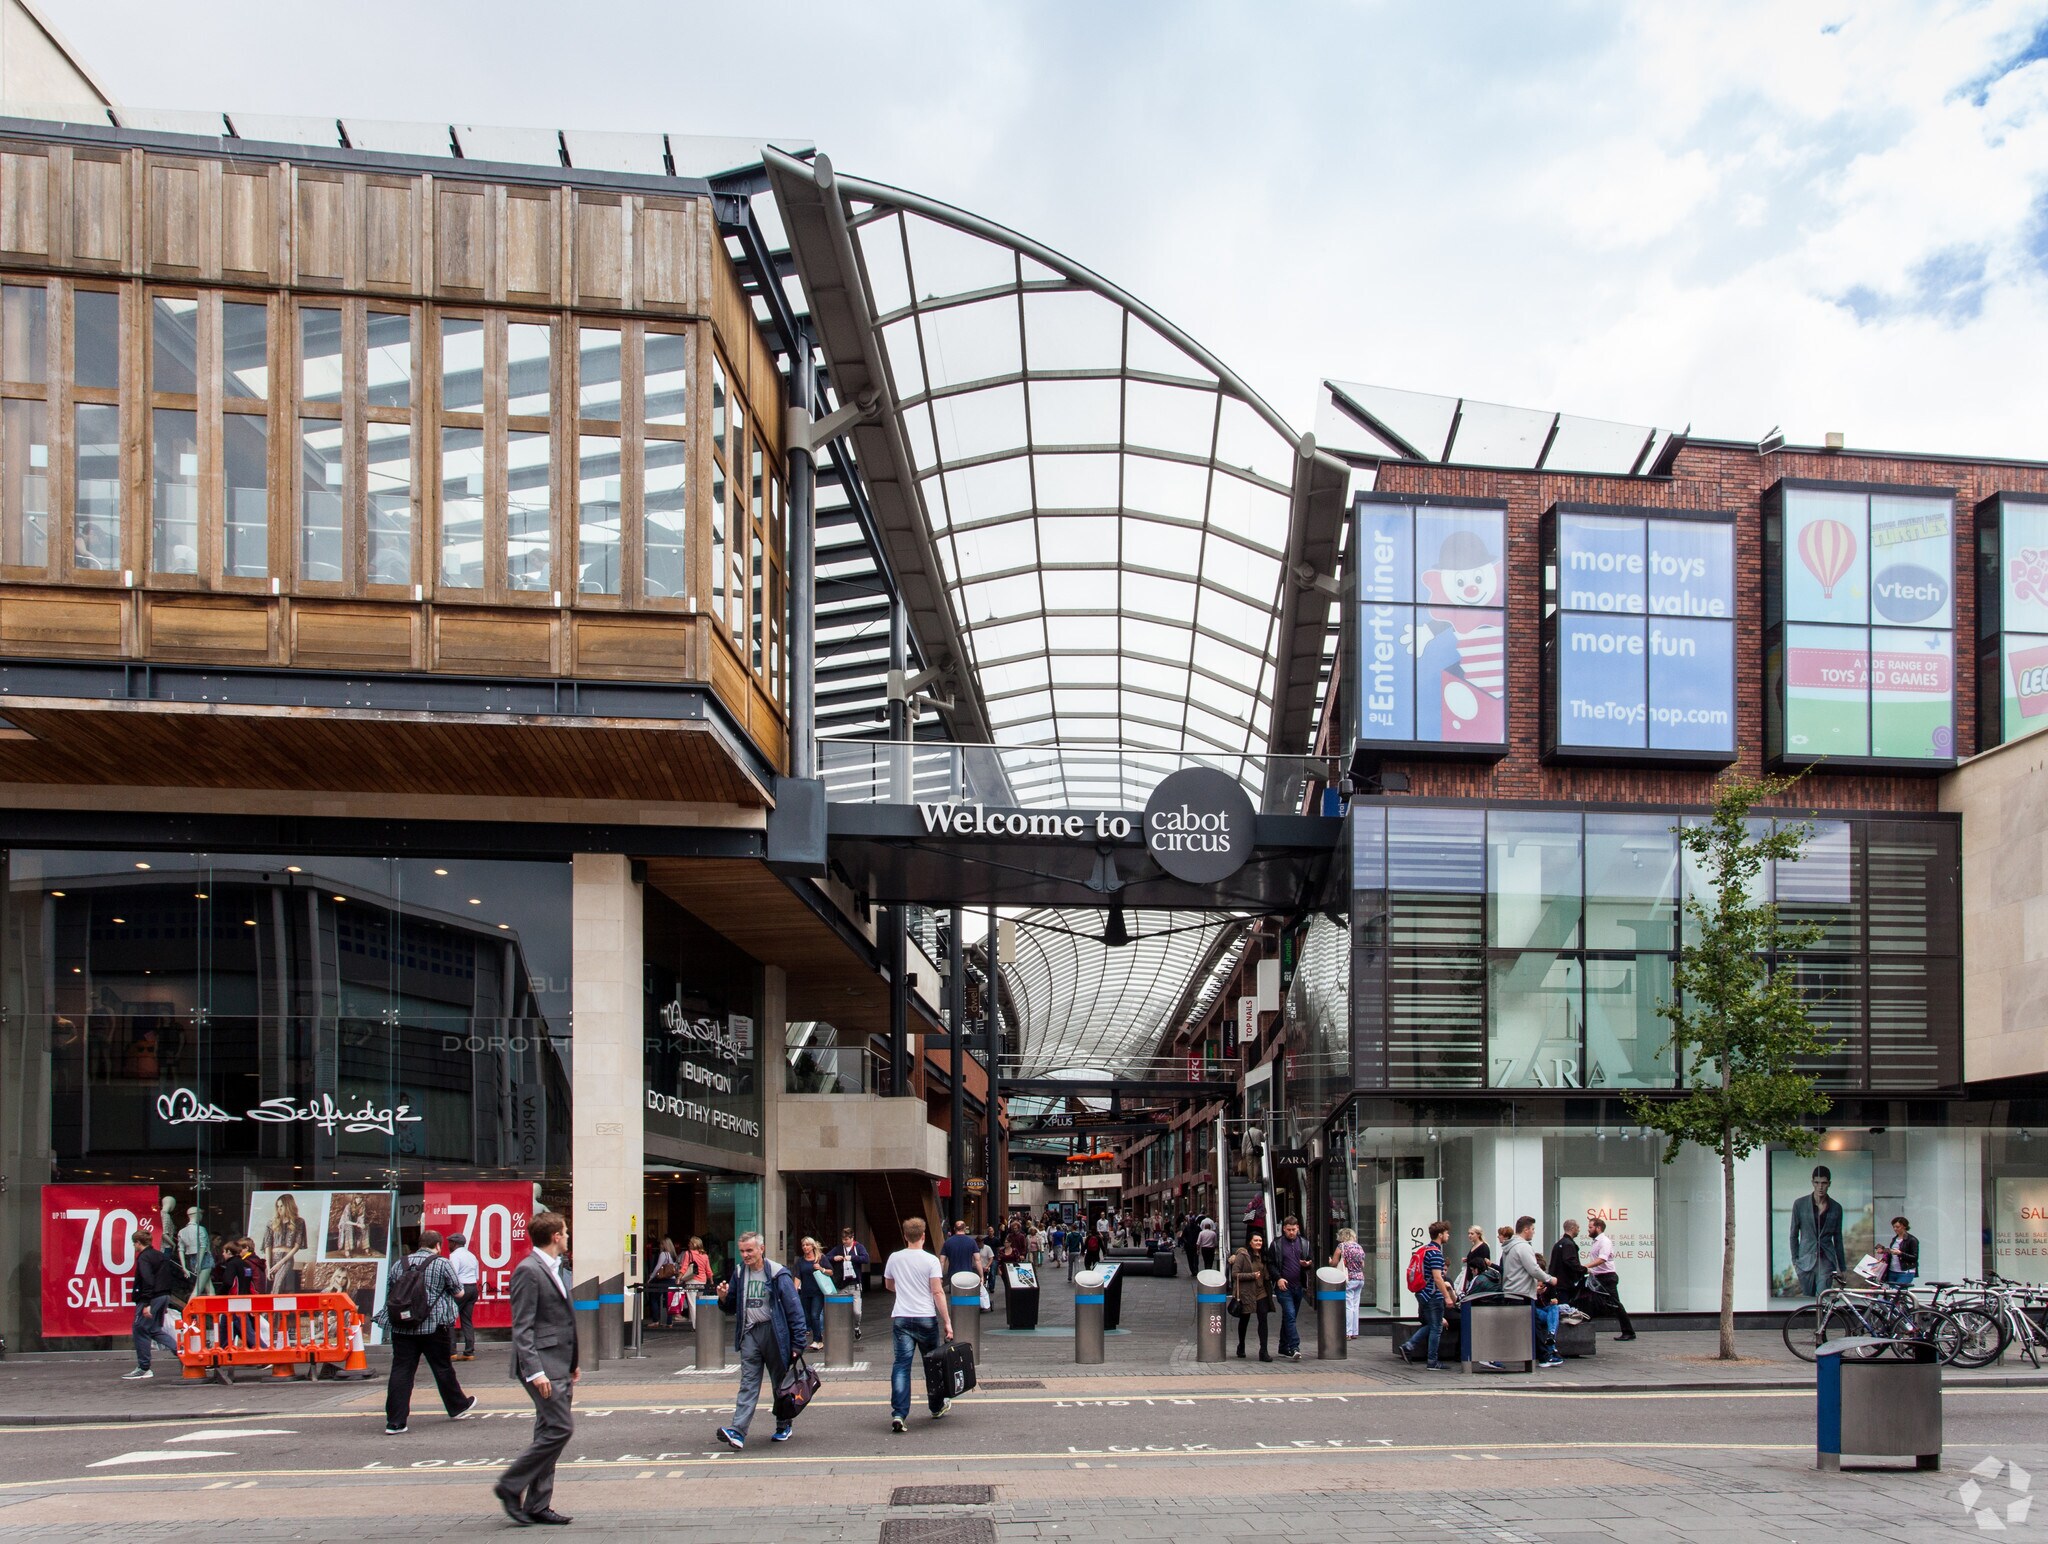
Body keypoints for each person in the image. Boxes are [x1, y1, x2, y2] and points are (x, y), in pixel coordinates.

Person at [496, 1211, 577, 1527]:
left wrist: (573, 1363)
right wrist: (536, 1372)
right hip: (541, 1365)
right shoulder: (528, 1271)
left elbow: (561, 1319)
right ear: (556, 1235)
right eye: (566, 1231)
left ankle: (538, 1504)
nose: (568, 1236)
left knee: (548, 1431)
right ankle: (510, 1485)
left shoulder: (554, 1267)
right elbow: (523, 1326)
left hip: (559, 1362)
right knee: (560, 1428)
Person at [713, 1231, 810, 1450]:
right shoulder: (739, 1273)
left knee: (780, 1384)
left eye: (749, 1250)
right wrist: (723, 1297)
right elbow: (730, 1307)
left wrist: (797, 1344)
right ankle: (737, 1431)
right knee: (748, 1383)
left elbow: (794, 1310)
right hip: (750, 1333)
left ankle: (783, 1425)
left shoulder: (777, 1273)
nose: (745, 1255)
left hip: (775, 1333)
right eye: (742, 1251)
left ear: (761, 1249)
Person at [381, 1228, 477, 1434]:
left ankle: (395, 1422)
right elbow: (459, 1292)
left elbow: (391, 1291)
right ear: (438, 1246)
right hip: (434, 1325)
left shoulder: (400, 1263)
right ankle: (457, 1406)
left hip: (403, 1327)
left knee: (401, 1370)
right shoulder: (441, 1263)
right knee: (442, 1368)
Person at [882, 1217, 954, 1433]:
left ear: (905, 1236)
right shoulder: (931, 1260)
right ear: (923, 1236)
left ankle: (899, 1413)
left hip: (902, 1317)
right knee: (932, 1364)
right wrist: (947, 1322)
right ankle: (936, 1406)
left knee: (902, 1365)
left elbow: (888, 1285)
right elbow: (937, 1292)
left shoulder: (895, 1258)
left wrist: (905, 1290)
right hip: (925, 1318)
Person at [122, 1227, 184, 1379]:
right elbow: (168, 1277)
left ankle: (144, 1367)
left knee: (140, 1329)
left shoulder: (144, 1257)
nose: (134, 1247)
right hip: (163, 1296)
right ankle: (184, 1354)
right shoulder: (160, 1256)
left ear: (138, 1243)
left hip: (151, 1298)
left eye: (134, 1244)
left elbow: (147, 1279)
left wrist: (146, 1302)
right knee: (155, 1330)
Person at [1500, 1216, 1561, 1368]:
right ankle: (1544, 1357)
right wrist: (1549, 1279)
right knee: (1534, 1327)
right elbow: (1533, 1269)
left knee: (1526, 1326)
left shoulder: (1509, 1247)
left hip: (1512, 1291)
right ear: (1526, 1229)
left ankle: (1541, 1356)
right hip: (1522, 1293)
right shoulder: (1523, 1247)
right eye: (1532, 1229)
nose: (1533, 1232)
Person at [1398, 1220, 1457, 1369]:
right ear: (1440, 1235)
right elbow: (1438, 1277)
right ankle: (1432, 1361)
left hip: (1422, 1293)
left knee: (1432, 1324)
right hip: (1433, 1295)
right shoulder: (1436, 1253)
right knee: (1437, 1328)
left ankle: (1409, 1345)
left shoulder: (1424, 1250)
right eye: (1446, 1233)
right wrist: (1447, 1296)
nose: (1448, 1235)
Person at [1790, 1164, 1847, 1295]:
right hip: (1805, 1261)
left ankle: (1821, 1316)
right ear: (1812, 1182)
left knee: (1823, 1298)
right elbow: (1793, 1235)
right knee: (1807, 1299)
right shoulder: (1799, 1204)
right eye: (1817, 1182)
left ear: (1829, 1184)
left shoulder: (1836, 1207)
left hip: (1827, 1260)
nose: (1820, 1187)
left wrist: (1842, 1267)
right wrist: (1795, 1261)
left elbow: (1838, 1239)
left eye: (1824, 1183)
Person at [1582, 1217, 1636, 1340]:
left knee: (1615, 1304)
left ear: (1598, 1228)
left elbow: (1602, 1259)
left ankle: (1629, 1332)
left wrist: (1585, 1267)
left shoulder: (1604, 1241)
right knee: (1592, 1301)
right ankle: (1582, 1327)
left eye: (1590, 1227)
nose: (1588, 1230)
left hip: (1607, 1278)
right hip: (1599, 1277)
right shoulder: (1596, 1241)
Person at [1226, 1229, 1275, 1361]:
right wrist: (1251, 1276)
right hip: (1247, 1293)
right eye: (1256, 1240)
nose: (1258, 1243)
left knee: (1263, 1320)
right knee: (1244, 1320)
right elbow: (1235, 1274)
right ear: (1250, 1242)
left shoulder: (1264, 1255)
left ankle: (1263, 1351)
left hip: (1261, 1292)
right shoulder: (1243, 1255)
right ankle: (1241, 1345)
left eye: (1260, 1240)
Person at [1271, 1216, 1313, 1361]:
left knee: (1290, 1317)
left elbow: (1311, 1260)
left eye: (1293, 1230)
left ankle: (1283, 1346)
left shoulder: (1304, 1243)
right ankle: (1294, 1347)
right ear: (1284, 1229)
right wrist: (1278, 1278)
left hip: (1298, 1286)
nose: (1291, 1232)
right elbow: (1270, 1264)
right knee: (1289, 1314)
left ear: (1298, 1229)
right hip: (1283, 1286)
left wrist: (1307, 1264)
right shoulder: (1277, 1244)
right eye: (1288, 1230)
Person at [824, 1228, 869, 1341]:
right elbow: (826, 1257)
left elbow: (866, 1258)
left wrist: (852, 1257)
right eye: (843, 1239)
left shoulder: (858, 1247)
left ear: (852, 1238)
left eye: (846, 1239)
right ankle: (844, 1331)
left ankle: (856, 1327)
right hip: (842, 1285)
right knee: (841, 1311)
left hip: (855, 1285)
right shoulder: (839, 1249)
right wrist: (834, 1258)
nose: (844, 1242)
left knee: (856, 1311)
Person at [447, 1231, 482, 1360]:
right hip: (472, 1287)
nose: (448, 1245)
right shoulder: (471, 1256)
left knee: (449, 1319)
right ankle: (469, 1352)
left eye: (450, 1242)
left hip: (461, 1288)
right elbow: (477, 1276)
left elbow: (453, 1276)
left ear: (455, 1243)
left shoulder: (455, 1256)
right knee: (467, 1320)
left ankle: (452, 1352)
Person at [261, 1194, 306, 1295]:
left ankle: (273, 1310)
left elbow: (297, 1245)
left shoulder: (299, 1222)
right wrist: (268, 1266)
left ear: (288, 1206)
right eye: (278, 1206)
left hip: (286, 1258)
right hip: (271, 1257)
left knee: (277, 1285)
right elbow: (267, 1245)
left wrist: (280, 1263)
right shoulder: (271, 1222)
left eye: (282, 1206)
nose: (279, 1209)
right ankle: (273, 1309)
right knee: (269, 1285)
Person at [1330, 1227, 1367, 1338]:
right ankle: (1355, 1332)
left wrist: (1330, 1261)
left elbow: (1334, 1262)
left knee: (1348, 1306)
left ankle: (1348, 1332)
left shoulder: (1342, 1246)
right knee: (1355, 1306)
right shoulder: (1359, 1247)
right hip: (1360, 1278)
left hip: (1348, 1278)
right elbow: (1363, 1264)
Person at [796, 1237, 827, 1351]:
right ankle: (818, 1336)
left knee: (815, 1315)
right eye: (803, 1245)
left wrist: (821, 1269)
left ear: (812, 1246)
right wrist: (794, 1291)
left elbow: (830, 1271)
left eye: (807, 1245)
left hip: (818, 1292)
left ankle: (817, 1341)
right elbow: (798, 1276)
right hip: (805, 1292)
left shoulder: (820, 1258)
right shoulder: (800, 1261)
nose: (805, 1247)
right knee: (808, 1317)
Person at [1549, 1219, 1586, 1303]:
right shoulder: (1568, 1244)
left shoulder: (1558, 1244)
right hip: (1565, 1285)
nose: (1579, 1230)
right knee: (1565, 1309)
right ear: (1573, 1228)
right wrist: (1583, 1270)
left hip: (1558, 1284)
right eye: (1578, 1227)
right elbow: (1570, 1261)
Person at [1885, 1216, 1921, 1287]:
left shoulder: (1912, 1240)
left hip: (1905, 1271)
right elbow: (1892, 1253)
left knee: (1897, 1291)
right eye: (1894, 1227)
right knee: (1891, 1294)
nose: (1895, 1229)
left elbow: (1915, 1257)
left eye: (1897, 1227)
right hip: (1892, 1270)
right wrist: (1884, 1251)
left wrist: (1900, 1253)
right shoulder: (1894, 1239)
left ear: (1904, 1226)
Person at [1460, 1226, 1492, 1294]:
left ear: (1478, 1235)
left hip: (1477, 1278)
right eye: (1469, 1233)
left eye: (1472, 1234)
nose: (1469, 1236)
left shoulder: (1484, 1247)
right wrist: (1468, 1259)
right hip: (1470, 1276)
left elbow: (1483, 1263)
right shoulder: (1473, 1246)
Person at [1180, 1213, 1203, 1277]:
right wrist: (1186, 1242)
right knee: (1191, 1259)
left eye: (1192, 1221)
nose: (1191, 1222)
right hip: (1189, 1246)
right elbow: (1183, 1237)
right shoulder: (1187, 1228)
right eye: (1191, 1221)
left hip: (1194, 1245)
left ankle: (1195, 1269)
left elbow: (1200, 1235)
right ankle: (1193, 1270)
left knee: (1195, 1259)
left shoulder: (1197, 1228)